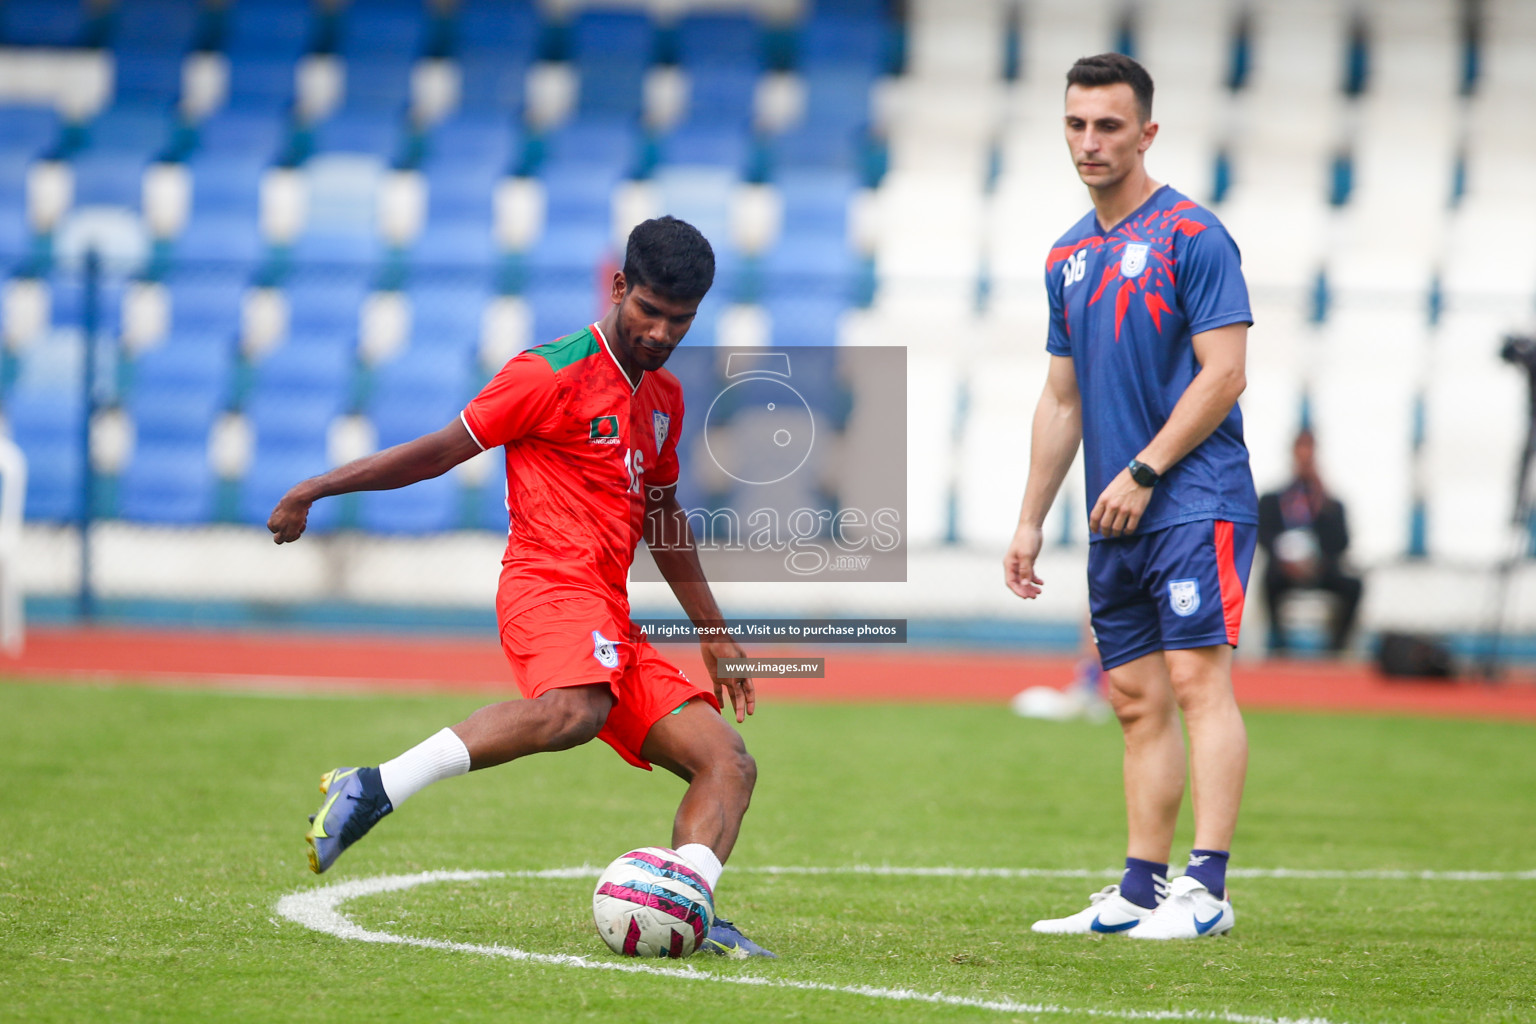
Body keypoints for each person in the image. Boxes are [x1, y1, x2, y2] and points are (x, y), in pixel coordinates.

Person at [267, 216, 774, 957]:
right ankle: (375, 785)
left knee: (727, 763)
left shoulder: (663, 399)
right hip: (547, 585)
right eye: (650, 311)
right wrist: (316, 487)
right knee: (573, 710)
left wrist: (715, 630)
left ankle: (688, 899)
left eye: (681, 319)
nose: (663, 332)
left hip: (610, 614)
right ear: (619, 286)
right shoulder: (549, 372)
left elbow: (663, 515)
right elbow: (440, 451)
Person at [1003, 53, 1258, 941]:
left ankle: (1209, 891)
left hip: (1192, 497)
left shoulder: (1196, 236)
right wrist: (1032, 518)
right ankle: (1140, 890)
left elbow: (1225, 375)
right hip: (1116, 516)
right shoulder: (1068, 256)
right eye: (1076, 124)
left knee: (1196, 682)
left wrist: (1146, 469)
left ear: (1147, 132)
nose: (1089, 141)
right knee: (1134, 700)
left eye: (1108, 125)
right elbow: (1063, 398)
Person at [1257, 428, 1363, 654]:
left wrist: (1324, 502)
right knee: (1268, 580)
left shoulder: (1330, 502)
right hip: (1284, 570)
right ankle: (1278, 644)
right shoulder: (1273, 499)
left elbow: (1342, 542)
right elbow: (1263, 535)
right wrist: (1285, 559)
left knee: (1353, 586)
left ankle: (1337, 647)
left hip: (1320, 568)